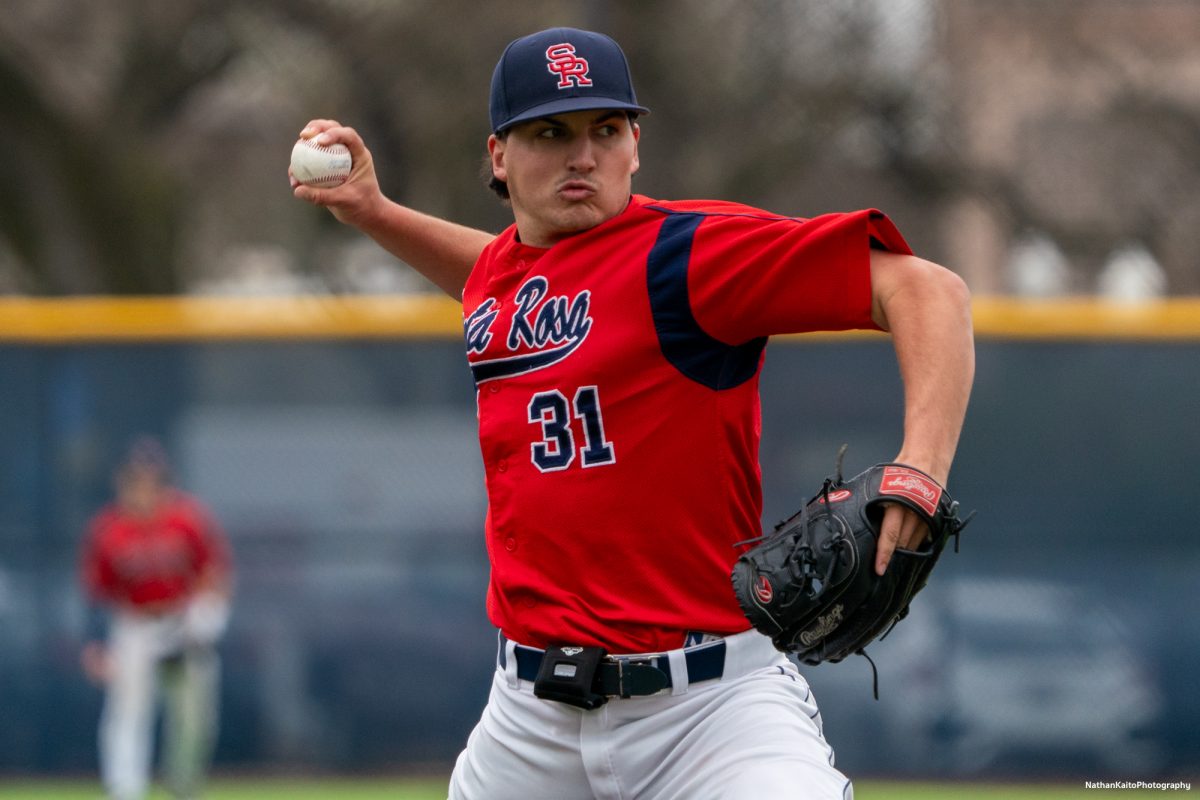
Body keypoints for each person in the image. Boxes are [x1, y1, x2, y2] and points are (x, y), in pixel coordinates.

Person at [292, 26, 973, 800]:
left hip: (709, 712)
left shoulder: (687, 257)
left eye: (605, 130)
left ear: (635, 145)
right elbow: (494, 277)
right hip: (528, 722)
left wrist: (920, 469)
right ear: (499, 157)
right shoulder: (509, 277)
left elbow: (929, 291)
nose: (583, 154)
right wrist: (375, 212)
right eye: (551, 132)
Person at [79, 436, 233, 800]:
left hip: (181, 623)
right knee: (127, 713)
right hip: (134, 625)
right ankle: (125, 790)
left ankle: (182, 783)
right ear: (123, 481)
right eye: (135, 477)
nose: (143, 486)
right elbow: (97, 593)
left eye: (151, 477)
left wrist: (207, 615)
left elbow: (215, 573)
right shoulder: (109, 530)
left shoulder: (187, 520)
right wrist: (96, 643)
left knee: (196, 719)